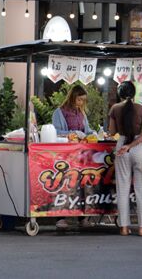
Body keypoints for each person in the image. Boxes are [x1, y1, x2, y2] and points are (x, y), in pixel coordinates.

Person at [109, 81, 142, 237]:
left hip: (122, 146)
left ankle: (124, 228)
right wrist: (132, 145)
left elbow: (112, 131)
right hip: (139, 147)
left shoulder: (115, 109)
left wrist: (126, 146)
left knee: (123, 189)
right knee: (141, 189)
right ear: (134, 93)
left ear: (120, 94)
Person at [52, 84, 93, 229]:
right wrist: (71, 133)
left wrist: (91, 134)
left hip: (82, 155)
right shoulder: (60, 112)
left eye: (83, 100)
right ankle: (61, 217)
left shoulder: (82, 113)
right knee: (65, 184)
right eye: (79, 99)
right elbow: (56, 131)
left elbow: (87, 130)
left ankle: (83, 217)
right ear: (72, 97)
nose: (81, 103)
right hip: (66, 155)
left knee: (82, 185)